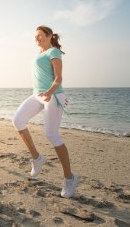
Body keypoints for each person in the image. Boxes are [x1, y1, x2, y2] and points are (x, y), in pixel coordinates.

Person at [12, 25, 79, 198]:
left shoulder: (53, 52)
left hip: (53, 95)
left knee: (52, 135)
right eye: (35, 36)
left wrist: (51, 93)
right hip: (37, 95)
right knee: (18, 120)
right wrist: (44, 93)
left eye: (40, 35)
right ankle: (37, 158)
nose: (37, 38)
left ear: (49, 36)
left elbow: (59, 78)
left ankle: (69, 179)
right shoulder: (39, 54)